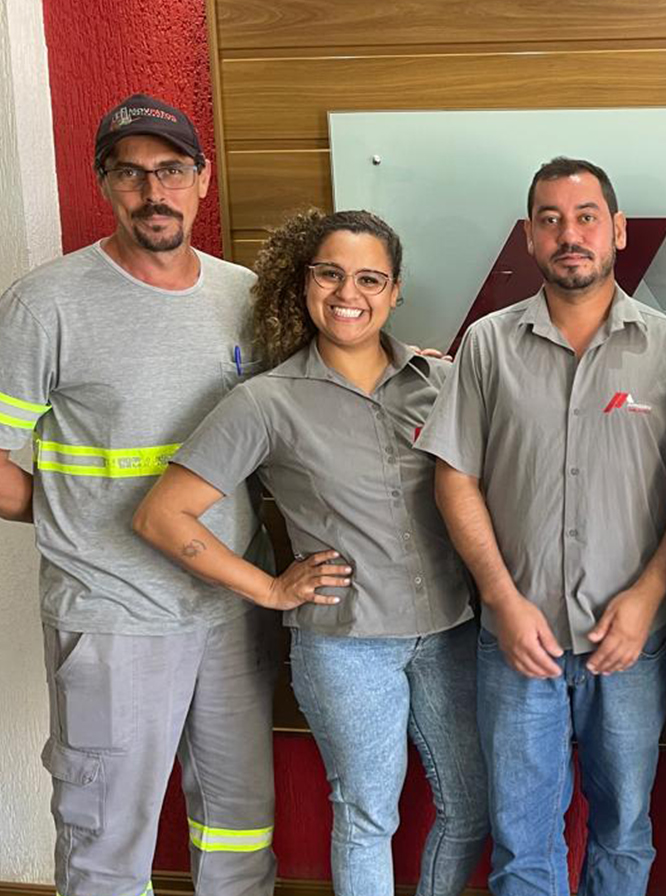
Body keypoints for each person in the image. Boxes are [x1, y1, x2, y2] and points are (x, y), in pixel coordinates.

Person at [132, 209, 489, 895]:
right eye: (329, 273)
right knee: (366, 816)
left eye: (368, 278)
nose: (347, 292)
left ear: (394, 291)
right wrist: (268, 589)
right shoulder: (266, 401)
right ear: (304, 283)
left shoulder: (438, 382)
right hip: (347, 646)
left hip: (449, 632)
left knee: (470, 807)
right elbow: (160, 515)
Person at [0, 94, 278, 896]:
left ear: (202, 180)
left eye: (170, 171)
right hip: (113, 615)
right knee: (105, 842)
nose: (153, 192)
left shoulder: (245, 295)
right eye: (131, 174)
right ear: (104, 184)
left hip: (229, 607)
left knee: (237, 828)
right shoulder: (45, 303)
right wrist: (57, 512)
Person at [419, 157, 666, 896]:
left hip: (632, 644)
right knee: (522, 844)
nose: (568, 234)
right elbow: (455, 479)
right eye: (550, 219)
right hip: (517, 642)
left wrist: (648, 594)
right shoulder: (485, 344)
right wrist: (503, 603)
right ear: (529, 237)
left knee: (624, 832)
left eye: (584, 217)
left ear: (618, 230)